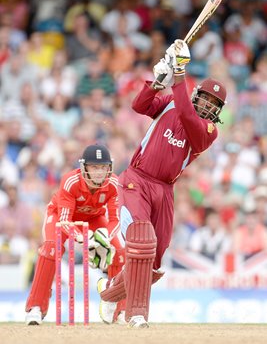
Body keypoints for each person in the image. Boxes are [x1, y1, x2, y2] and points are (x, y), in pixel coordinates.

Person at [97, 39, 227, 328]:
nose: (208, 105)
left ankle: (109, 295)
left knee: (154, 262)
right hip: (137, 180)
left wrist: (178, 73)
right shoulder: (170, 101)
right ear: (197, 95)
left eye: (214, 104)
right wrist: (158, 81)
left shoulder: (208, 131)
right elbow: (138, 104)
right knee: (142, 240)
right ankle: (137, 314)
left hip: (165, 191)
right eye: (205, 98)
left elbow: (186, 116)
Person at [25, 144, 125, 325]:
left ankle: (120, 310)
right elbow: (65, 220)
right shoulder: (70, 181)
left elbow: (115, 220)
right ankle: (36, 308)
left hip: (94, 217)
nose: (99, 172)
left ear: (109, 167)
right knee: (51, 248)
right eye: (94, 167)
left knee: (118, 251)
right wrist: (85, 240)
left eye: (103, 167)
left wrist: (104, 239)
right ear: (84, 167)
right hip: (59, 216)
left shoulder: (114, 184)